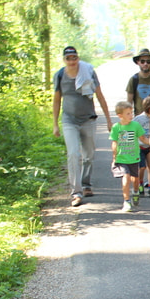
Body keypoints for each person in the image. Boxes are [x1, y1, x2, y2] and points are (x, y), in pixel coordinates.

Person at [52, 46, 111, 207]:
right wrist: (55, 124)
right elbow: (57, 100)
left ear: (78, 58)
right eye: (68, 58)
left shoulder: (88, 72)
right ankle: (76, 192)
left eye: (74, 58)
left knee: (89, 155)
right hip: (69, 120)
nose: (72, 61)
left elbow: (99, 95)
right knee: (73, 154)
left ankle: (86, 184)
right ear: (64, 60)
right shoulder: (59, 76)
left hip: (88, 119)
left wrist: (108, 120)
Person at [110, 101, 150, 212]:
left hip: (134, 158)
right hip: (121, 158)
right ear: (120, 116)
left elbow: (142, 138)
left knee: (135, 180)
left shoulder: (135, 125)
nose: (131, 115)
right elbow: (114, 143)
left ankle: (136, 191)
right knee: (126, 178)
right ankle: (126, 201)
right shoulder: (116, 127)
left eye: (131, 113)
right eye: (128, 113)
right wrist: (114, 157)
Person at [133, 96, 150, 198]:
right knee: (142, 167)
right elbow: (133, 132)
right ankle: (140, 184)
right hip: (139, 146)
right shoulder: (139, 119)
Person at [125, 48, 150, 115]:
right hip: (138, 119)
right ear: (138, 62)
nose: (145, 64)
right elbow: (129, 103)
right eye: (142, 61)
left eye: (148, 61)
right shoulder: (133, 80)